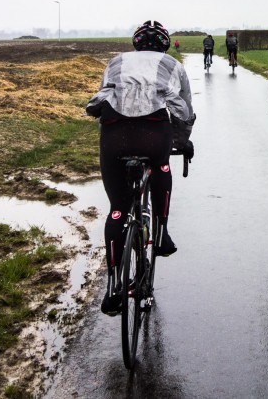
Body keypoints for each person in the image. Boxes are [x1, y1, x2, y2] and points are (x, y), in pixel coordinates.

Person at [85, 20, 196, 315]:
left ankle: (113, 290)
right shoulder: (172, 63)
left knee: (118, 209)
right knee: (160, 166)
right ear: (164, 44)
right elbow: (184, 108)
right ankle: (161, 234)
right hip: (153, 133)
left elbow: (104, 94)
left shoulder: (116, 61)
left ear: (136, 43)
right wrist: (183, 141)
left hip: (115, 134)